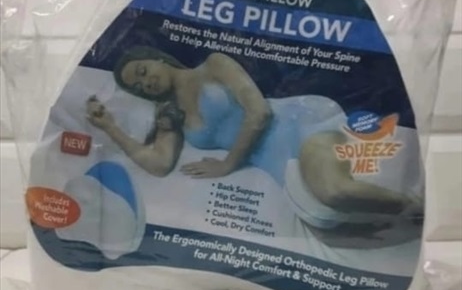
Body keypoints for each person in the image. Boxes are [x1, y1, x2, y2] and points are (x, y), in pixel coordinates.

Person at [86, 46, 423, 236]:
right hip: (275, 162)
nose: (146, 82)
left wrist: (228, 164)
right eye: (138, 87)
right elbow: (159, 164)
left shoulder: (213, 65)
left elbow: (259, 112)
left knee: (334, 192)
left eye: (143, 71)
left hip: (299, 125)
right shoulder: (170, 113)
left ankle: (415, 207)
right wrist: (110, 127)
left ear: (158, 57)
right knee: (326, 230)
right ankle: (403, 222)